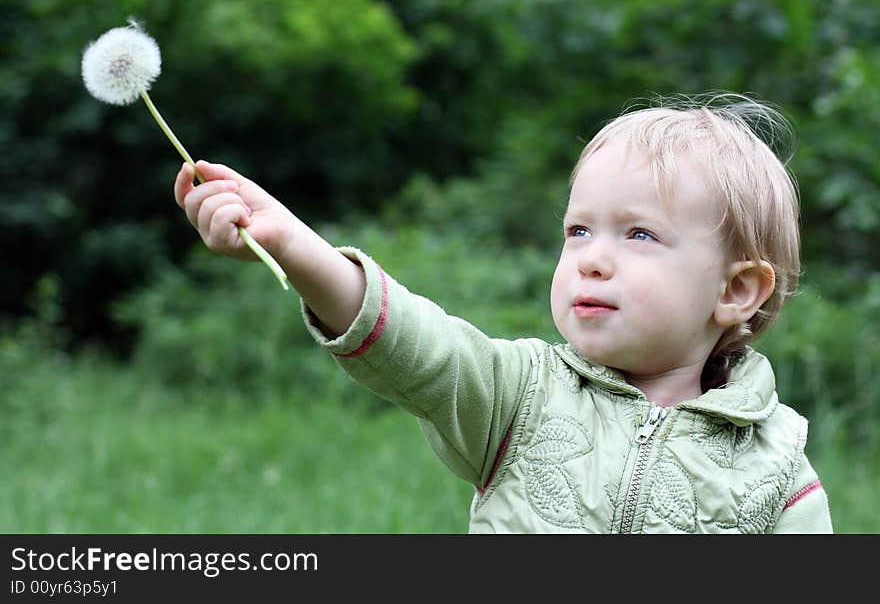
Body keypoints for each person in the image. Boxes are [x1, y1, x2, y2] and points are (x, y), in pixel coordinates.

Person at [173, 92, 833, 533]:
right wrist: (291, 243)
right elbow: (409, 341)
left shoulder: (777, 472)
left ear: (736, 290)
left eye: (639, 235)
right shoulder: (519, 394)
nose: (592, 259)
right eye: (578, 231)